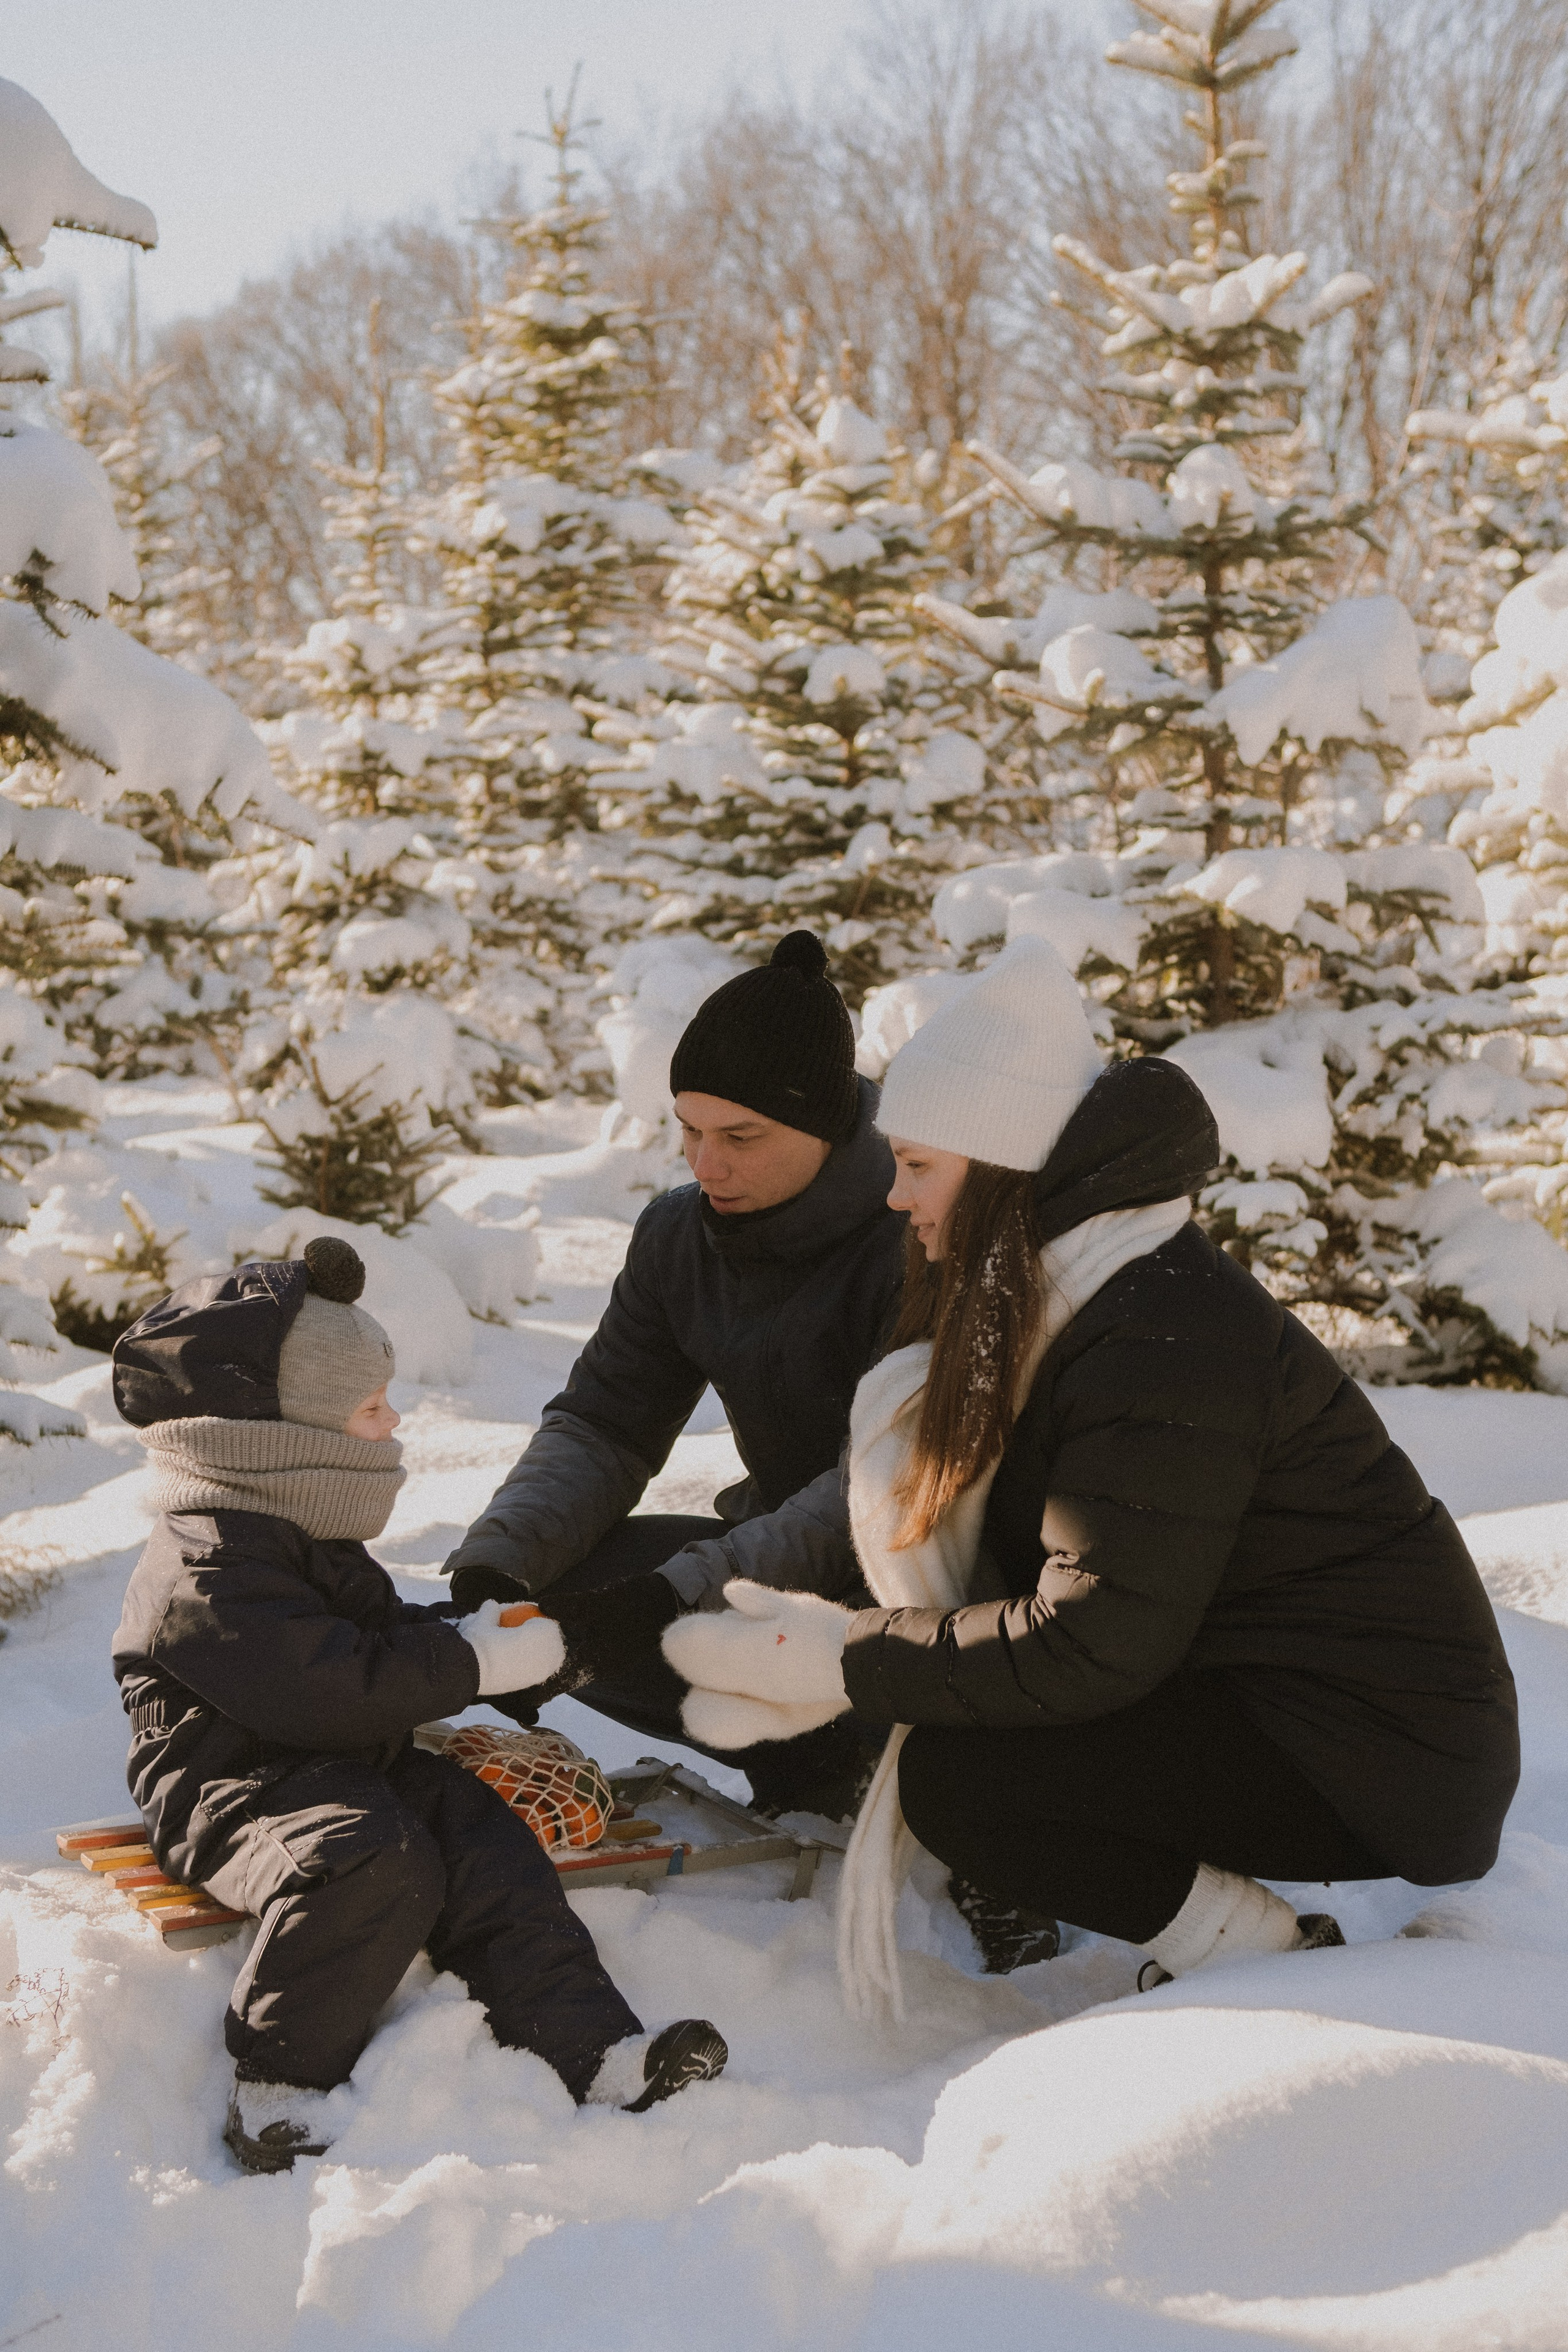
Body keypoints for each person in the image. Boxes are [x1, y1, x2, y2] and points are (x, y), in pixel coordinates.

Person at [663, 937, 1521, 2018]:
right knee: (971, 1743)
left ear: (1002, 1168)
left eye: (920, 1166)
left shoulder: (1160, 1334)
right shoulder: (1077, 1297)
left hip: (1378, 1748)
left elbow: (1090, 1638)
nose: (895, 1197)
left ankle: (1264, 1956)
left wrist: (839, 1659)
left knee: (968, 1786)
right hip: (1267, 1693)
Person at [110, 1238, 726, 2174]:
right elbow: (326, 1685)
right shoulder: (207, 1564)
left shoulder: (297, 1530)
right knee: (371, 1859)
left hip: (349, 1763)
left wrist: (477, 1635)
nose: (393, 1418)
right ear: (292, 1431)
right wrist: (469, 1663)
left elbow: (380, 1642)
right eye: (370, 1406)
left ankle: (596, 2053)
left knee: (483, 1839)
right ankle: (279, 2083)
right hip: (235, 1790)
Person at [443, 929, 903, 1818]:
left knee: (650, 1608)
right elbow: (606, 1423)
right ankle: (806, 1775)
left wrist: (664, 1597)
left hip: (924, 1583)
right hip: (778, 1559)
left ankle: (912, 1785)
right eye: (689, 1130)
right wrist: (498, 1570)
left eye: (742, 1135)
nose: (706, 1164)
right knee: (554, 1591)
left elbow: (877, 1494)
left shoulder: (916, 1234)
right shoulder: (677, 1235)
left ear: (828, 1126)